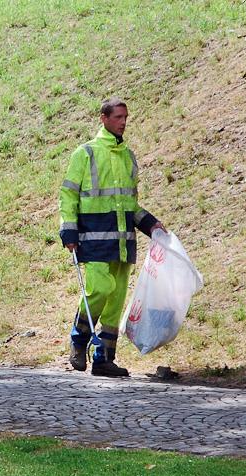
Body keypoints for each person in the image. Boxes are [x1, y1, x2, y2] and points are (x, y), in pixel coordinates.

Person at [59, 98, 167, 377]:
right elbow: (68, 195)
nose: (123, 122)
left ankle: (104, 358)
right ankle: (79, 340)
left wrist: (151, 224)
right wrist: (68, 229)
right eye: (118, 117)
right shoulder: (85, 154)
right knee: (99, 290)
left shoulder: (128, 157)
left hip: (122, 242)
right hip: (93, 240)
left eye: (125, 117)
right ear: (103, 118)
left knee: (116, 300)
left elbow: (129, 205)